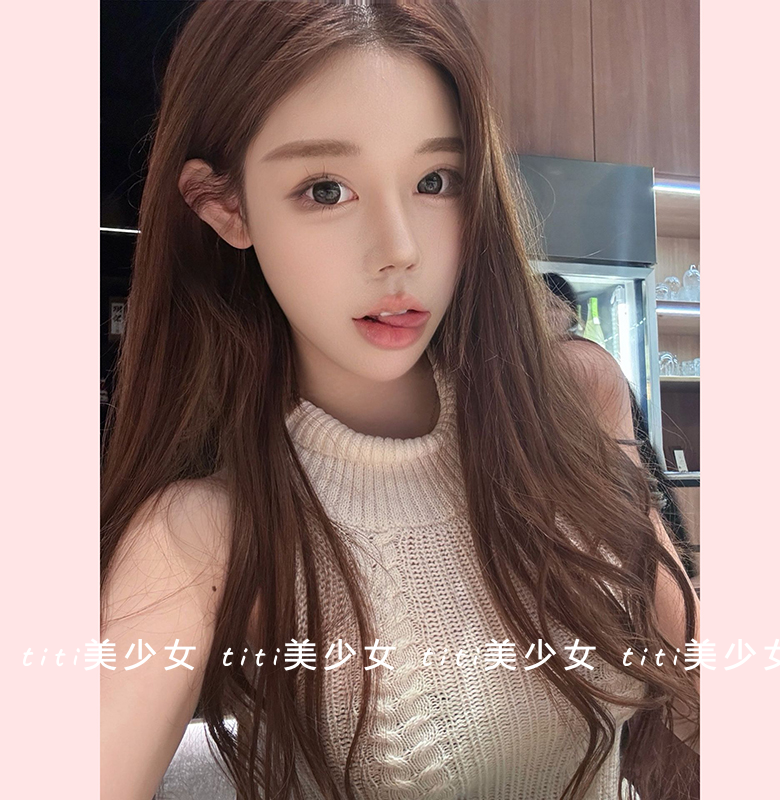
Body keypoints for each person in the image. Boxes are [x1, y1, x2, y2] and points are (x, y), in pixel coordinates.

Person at [100, 3, 700, 800]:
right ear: (226, 207)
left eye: (434, 181)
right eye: (326, 189)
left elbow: (695, 681)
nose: (400, 250)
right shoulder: (201, 535)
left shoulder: (572, 400)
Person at [541, 272, 698, 580]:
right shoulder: (529, 372)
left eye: (554, 306)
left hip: (608, 503)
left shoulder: (586, 363)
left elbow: (637, 449)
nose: (546, 314)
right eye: (539, 305)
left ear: (572, 314)